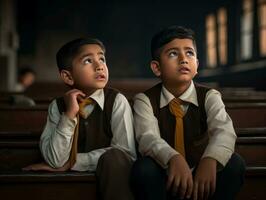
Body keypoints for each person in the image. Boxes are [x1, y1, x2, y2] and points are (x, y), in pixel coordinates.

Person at [130, 26, 245, 200]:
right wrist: (172, 158)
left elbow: (224, 132)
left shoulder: (210, 96)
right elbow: (148, 138)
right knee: (143, 168)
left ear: (197, 65)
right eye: (173, 54)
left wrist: (211, 160)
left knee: (235, 163)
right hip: (166, 175)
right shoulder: (144, 100)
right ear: (157, 67)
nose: (183, 59)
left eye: (189, 53)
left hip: (203, 176)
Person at [23, 38, 136, 200]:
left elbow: (125, 153)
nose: (99, 66)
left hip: (114, 181)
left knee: (114, 158)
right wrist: (69, 115)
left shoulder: (117, 100)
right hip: (69, 186)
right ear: (68, 77)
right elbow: (55, 160)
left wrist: (73, 163)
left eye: (102, 59)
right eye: (88, 61)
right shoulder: (57, 106)